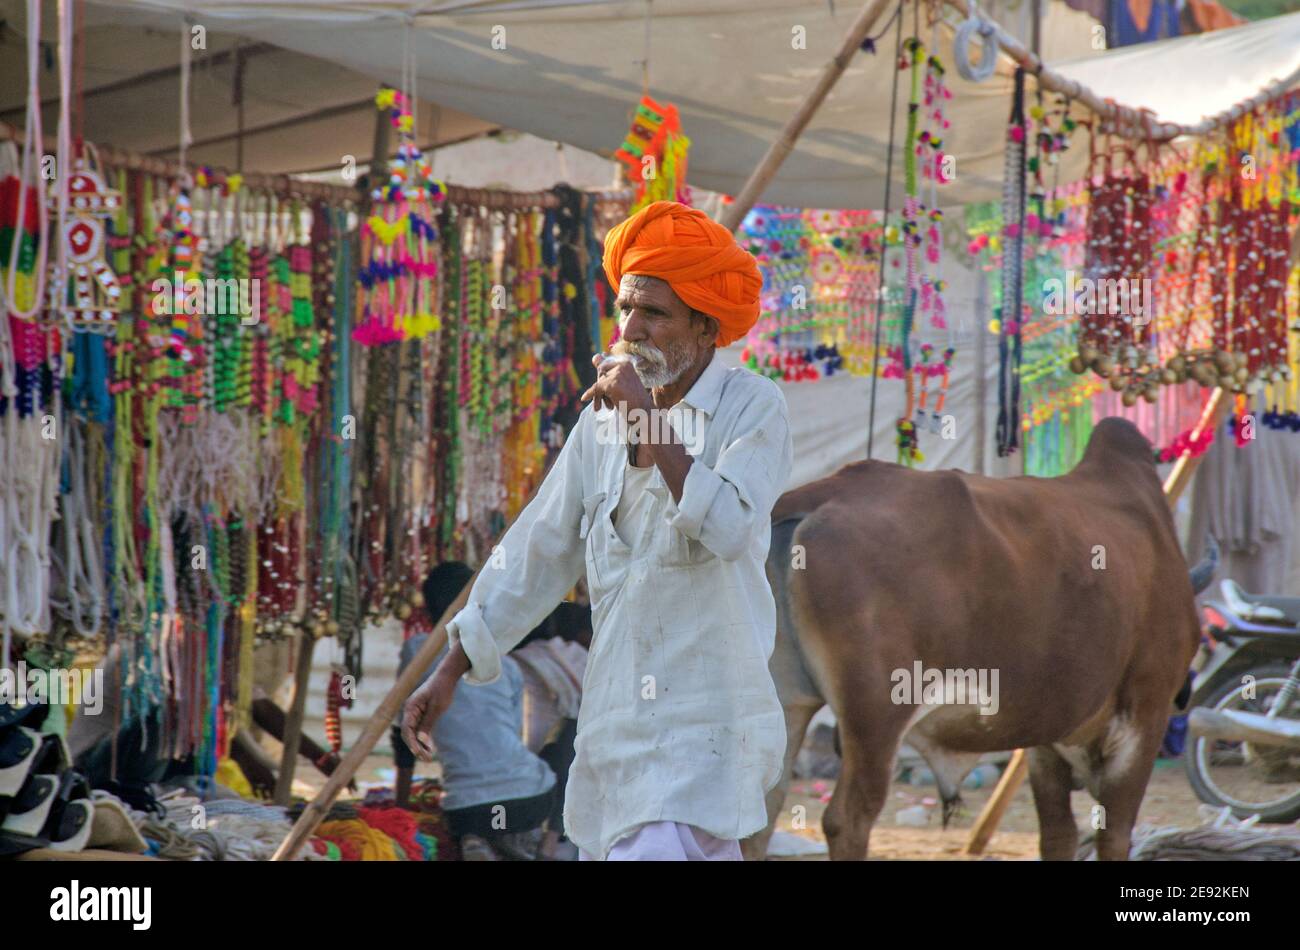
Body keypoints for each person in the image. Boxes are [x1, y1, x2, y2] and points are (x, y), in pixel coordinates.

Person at [403, 200, 793, 861]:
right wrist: (451, 667)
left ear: (704, 328)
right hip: (616, 726)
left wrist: (646, 418)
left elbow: (727, 529)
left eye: (655, 313)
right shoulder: (602, 423)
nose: (631, 329)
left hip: (709, 726)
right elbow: (537, 550)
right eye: (625, 309)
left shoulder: (752, 406)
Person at [392, 562, 572, 860]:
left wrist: (400, 807)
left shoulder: (417, 652)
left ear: (426, 611)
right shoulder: (507, 663)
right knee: (566, 741)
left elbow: (404, 736)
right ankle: (516, 843)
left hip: (463, 807)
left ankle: (477, 838)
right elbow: (510, 734)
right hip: (527, 799)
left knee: (481, 815)